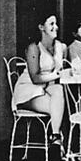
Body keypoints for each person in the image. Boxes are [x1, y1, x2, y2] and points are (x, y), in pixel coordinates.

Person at [12, 12, 66, 148]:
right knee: (60, 110)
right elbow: (35, 78)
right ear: (41, 27)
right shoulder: (34, 48)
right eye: (51, 24)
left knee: (59, 94)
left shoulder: (60, 46)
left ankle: (55, 137)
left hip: (47, 88)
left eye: (56, 23)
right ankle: (61, 144)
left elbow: (61, 70)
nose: (56, 27)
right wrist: (58, 75)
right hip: (29, 91)